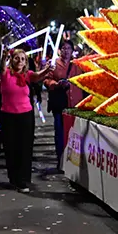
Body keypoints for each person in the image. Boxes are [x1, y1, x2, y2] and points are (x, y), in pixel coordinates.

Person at [0, 49, 53, 193]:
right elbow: (2, 67)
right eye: (17, 58)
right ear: (12, 60)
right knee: (11, 147)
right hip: (8, 115)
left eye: (22, 59)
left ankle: (23, 179)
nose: (20, 61)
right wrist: (3, 58)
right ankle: (13, 177)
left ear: (26, 62)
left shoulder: (27, 75)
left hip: (25, 115)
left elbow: (38, 76)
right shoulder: (6, 74)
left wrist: (47, 70)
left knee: (25, 147)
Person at [44, 40, 82, 173]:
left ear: (72, 51)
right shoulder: (54, 64)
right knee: (60, 132)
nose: (66, 51)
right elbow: (46, 80)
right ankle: (60, 160)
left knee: (74, 133)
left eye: (68, 48)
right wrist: (56, 84)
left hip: (74, 104)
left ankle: (73, 161)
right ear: (60, 50)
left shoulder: (77, 65)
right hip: (59, 104)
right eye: (64, 48)